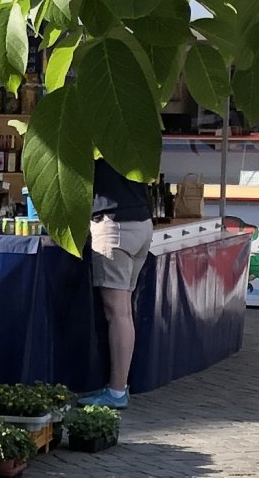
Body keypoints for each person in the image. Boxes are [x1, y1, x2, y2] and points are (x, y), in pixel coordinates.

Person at [79, 158, 153, 409]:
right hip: (141, 222)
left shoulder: (95, 139)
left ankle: (117, 389)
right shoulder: (129, 134)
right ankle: (119, 386)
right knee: (124, 311)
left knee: (118, 312)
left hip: (113, 226)